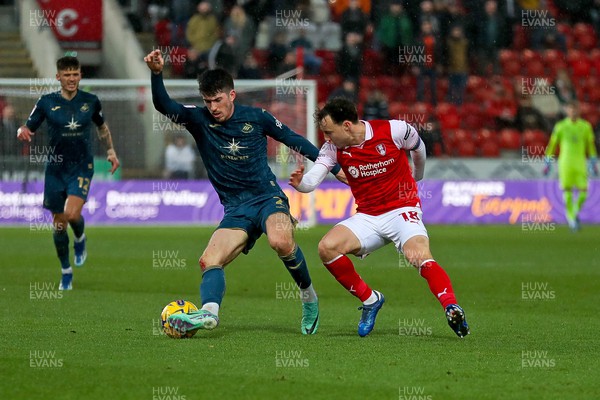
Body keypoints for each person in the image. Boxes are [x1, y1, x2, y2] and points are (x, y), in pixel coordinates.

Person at [144, 49, 344, 335]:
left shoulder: (257, 117)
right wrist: (156, 73)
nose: (213, 107)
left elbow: (292, 138)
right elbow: (165, 105)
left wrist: (333, 168)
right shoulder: (199, 120)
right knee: (209, 260)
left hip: (267, 197)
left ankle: (309, 297)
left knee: (280, 242)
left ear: (232, 95)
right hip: (236, 208)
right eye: (207, 101)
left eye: (218, 100)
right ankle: (210, 314)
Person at [289, 97, 470, 338]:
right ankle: (370, 300)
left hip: (402, 210)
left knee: (419, 256)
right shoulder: (333, 149)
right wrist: (301, 185)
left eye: (329, 132)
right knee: (327, 248)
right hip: (368, 217)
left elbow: (419, 147)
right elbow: (313, 179)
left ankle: (451, 306)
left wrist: (417, 176)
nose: (326, 139)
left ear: (347, 125)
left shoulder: (393, 130)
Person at [16, 56, 120, 290]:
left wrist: (111, 151)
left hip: (82, 166)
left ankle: (80, 239)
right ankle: (66, 270)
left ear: (80, 75)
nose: (72, 79)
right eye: (67, 75)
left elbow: (102, 128)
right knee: (59, 224)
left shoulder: (91, 101)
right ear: (58, 77)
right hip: (55, 169)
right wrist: (21, 130)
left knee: (72, 215)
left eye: (75, 74)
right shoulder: (46, 102)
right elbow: (27, 126)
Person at [544, 101, 598, 231]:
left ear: (578, 111)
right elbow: (552, 144)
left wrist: (593, 160)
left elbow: (590, 145)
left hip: (580, 163)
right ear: (567, 111)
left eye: (575, 109)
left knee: (584, 193)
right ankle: (571, 219)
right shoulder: (561, 126)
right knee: (567, 191)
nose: (573, 112)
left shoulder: (585, 126)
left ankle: (573, 213)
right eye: (570, 109)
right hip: (565, 163)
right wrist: (548, 160)